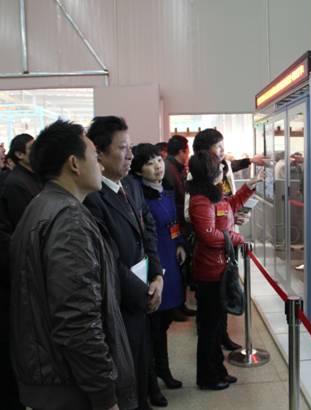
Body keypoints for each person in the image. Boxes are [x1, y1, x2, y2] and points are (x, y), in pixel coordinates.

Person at [10, 119, 137, 410]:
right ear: (74, 163)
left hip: (51, 379)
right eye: (94, 155)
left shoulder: (41, 206)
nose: (100, 164)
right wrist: (105, 395)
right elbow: (77, 321)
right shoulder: (69, 220)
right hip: (72, 389)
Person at [85, 116, 164, 410]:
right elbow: (109, 259)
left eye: (130, 148)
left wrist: (157, 275)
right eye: (122, 148)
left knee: (142, 364)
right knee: (126, 374)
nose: (131, 155)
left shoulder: (130, 185)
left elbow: (148, 230)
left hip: (144, 292)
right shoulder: (92, 198)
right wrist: (144, 294)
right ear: (99, 154)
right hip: (122, 301)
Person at [187, 150, 263, 390]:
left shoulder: (213, 194)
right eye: (219, 165)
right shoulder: (200, 200)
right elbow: (208, 235)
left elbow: (229, 206)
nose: (223, 168)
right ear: (211, 171)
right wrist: (236, 238)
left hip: (220, 268)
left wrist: (249, 186)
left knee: (218, 325)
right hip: (210, 271)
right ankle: (207, 377)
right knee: (210, 328)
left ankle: (218, 370)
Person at [130, 143, 185, 395]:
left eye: (159, 161)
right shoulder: (138, 195)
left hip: (170, 259)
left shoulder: (166, 191)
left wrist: (180, 243)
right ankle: (151, 381)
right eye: (150, 163)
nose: (157, 167)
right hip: (154, 263)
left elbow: (175, 222)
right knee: (152, 325)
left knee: (163, 322)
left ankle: (163, 369)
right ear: (138, 170)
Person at [0, 133, 42, 409]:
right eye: (31, 148)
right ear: (19, 155)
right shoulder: (16, 184)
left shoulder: (31, 178)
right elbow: (24, 230)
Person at [164, 134, 196, 321]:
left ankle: (180, 304)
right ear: (182, 151)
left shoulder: (176, 168)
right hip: (175, 225)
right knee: (176, 267)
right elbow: (176, 200)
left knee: (181, 268)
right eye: (187, 151)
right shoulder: (169, 170)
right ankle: (174, 307)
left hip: (179, 224)